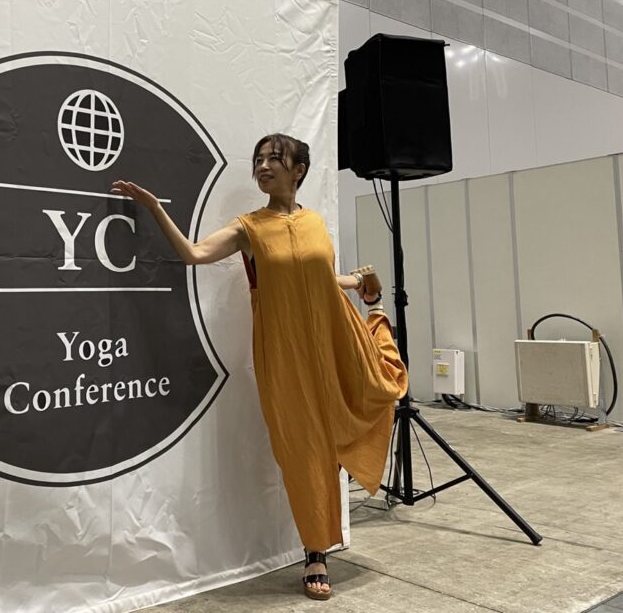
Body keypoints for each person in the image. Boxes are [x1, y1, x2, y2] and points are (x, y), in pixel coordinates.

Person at [111, 133, 408, 602]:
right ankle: (316, 553)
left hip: (333, 338)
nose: (264, 166)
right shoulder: (248, 228)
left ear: (299, 170)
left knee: (375, 390)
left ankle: (375, 319)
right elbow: (193, 254)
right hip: (285, 354)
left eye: (275, 159)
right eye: (259, 160)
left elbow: (316, 274)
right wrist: (152, 208)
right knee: (303, 450)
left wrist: (357, 283)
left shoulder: (314, 222)